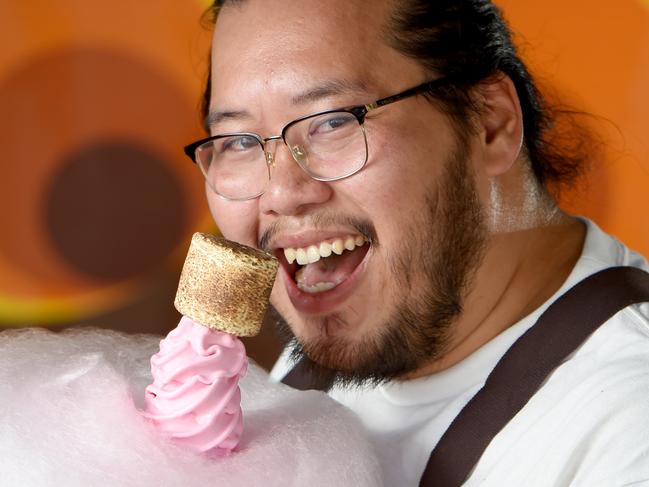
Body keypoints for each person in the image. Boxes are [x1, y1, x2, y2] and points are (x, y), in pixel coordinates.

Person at [183, 0, 649, 485]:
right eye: (237, 141)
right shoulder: (344, 336)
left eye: (332, 121)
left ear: (490, 124)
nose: (280, 193)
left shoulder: (627, 429)